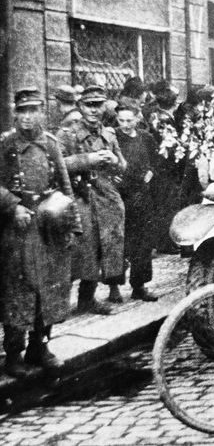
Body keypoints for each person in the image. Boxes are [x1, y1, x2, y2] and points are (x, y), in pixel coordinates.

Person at [0, 87, 81, 378]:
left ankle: (40, 347)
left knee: (49, 289)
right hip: (17, 231)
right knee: (18, 291)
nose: (27, 116)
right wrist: (13, 206)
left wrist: (73, 225)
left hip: (49, 227)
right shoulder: (5, 144)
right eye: (22, 111)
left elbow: (65, 183)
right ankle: (13, 355)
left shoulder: (51, 143)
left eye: (33, 110)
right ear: (15, 113)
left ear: (42, 112)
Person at [57, 85, 127, 313]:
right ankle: (58, 303)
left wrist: (114, 161)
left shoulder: (109, 133)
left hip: (106, 197)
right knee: (80, 249)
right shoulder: (66, 134)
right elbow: (58, 165)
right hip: (80, 196)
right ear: (80, 106)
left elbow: (123, 166)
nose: (94, 111)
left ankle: (88, 298)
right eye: (89, 105)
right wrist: (88, 159)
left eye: (98, 105)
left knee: (104, 248)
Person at [112, 105, 159, 301]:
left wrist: (151, 171)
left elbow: (157, 161)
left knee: (142, 242)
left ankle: (139, 286)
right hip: (119, 194)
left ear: (137, 119)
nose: (124, 125)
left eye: (129, 120)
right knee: (116, 241)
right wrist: (111, 175)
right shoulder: (111, 137)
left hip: (141, 194)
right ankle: (113, 286)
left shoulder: (146, 137)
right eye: (121, 120)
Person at [145, 80, 183, 254]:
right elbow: (170, 145)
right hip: (167, 169)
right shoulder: (165, 119)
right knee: (167, 205)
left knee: (162, 204)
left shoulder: (155, 116)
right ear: (173, 102)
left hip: (159, 168)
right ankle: (166, 242)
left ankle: (161, 241)